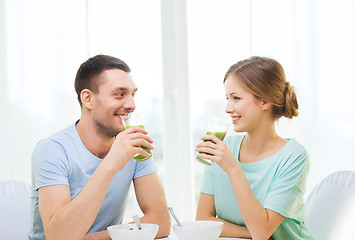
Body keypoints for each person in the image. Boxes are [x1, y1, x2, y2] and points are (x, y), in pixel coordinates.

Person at [29, 54, 171, 240]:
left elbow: (161, 222)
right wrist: (111, 163)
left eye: (132, 94)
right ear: (88, 99)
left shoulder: (134, 145)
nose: (131, 105)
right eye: (120, 94)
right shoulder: (52, 150)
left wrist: (101, 237)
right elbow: (59, 236)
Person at [195, 56, 314, 239]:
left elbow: (262, 231)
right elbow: (203, 220)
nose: (227, 108)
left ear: (265, 101)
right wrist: (249, 233)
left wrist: (234, 169)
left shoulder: (293, 156)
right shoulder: (223, 150)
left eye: (236, 98)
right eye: (227, 98)